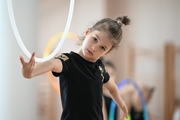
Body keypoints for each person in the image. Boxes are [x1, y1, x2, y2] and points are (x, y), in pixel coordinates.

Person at [19, 16, 131, 120]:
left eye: (102, 48)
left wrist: (122, 105)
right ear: (88, 32)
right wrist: (28, 72)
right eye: (95, 39)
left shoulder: (100, 68)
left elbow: (112, 88)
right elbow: (52, 64)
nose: (94, 47)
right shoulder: (68, 61)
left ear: (107, 52)